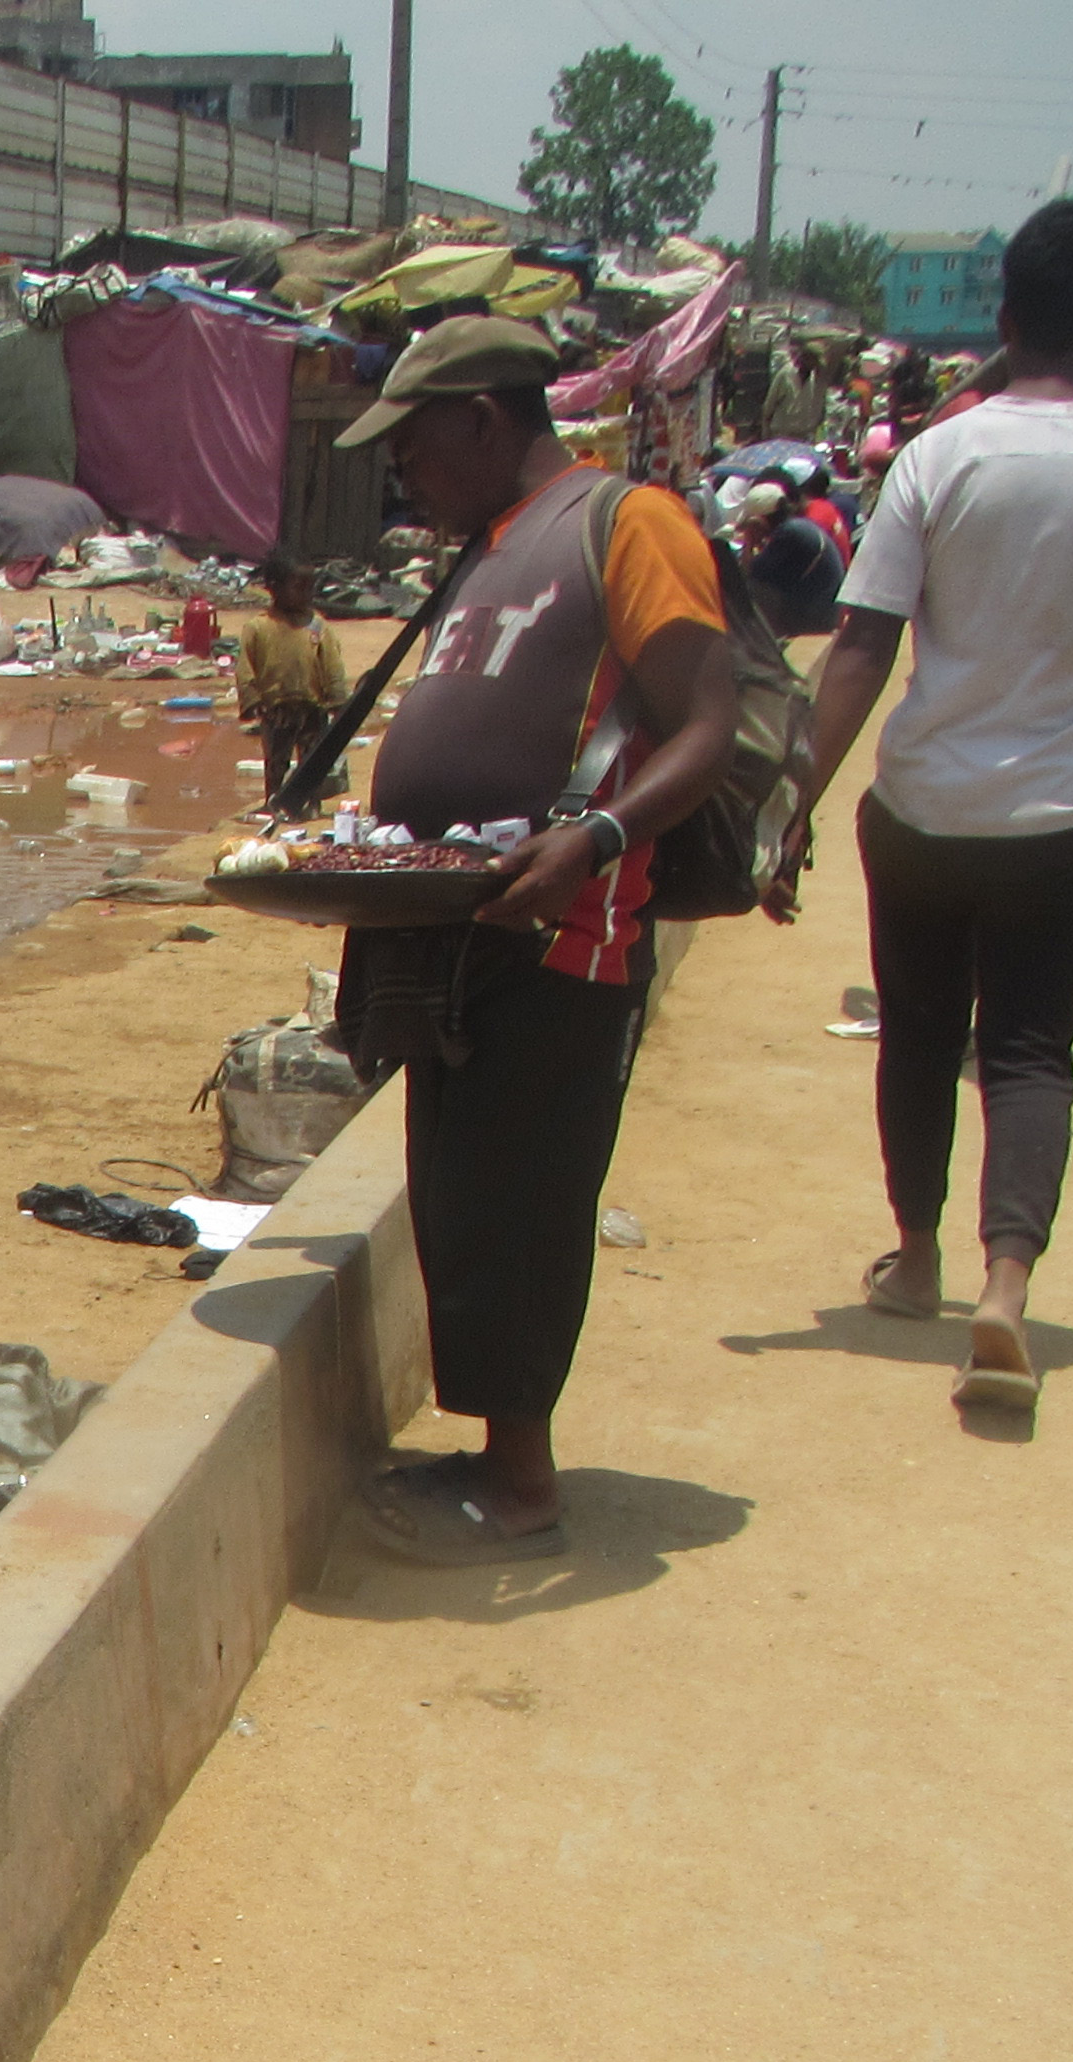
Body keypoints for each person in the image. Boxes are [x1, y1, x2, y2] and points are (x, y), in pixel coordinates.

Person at [325, 314, 739, 1562]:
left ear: (479, 418)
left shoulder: (626, 523)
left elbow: (704, 724)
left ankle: (520, 1487)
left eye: (411, 446)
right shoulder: (492, 549)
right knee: (461, 1198)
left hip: (566, 930)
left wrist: (595, 841)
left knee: (522, 1201)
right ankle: (497, 1457)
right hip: (464, 931)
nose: (403, 474)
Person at [769, 194, 1073, 1417]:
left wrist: (787, 808)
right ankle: (1005, 1291)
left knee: (915, 1032)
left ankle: (917, 1258)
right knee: (1028, 1050)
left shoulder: (939, 456)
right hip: (1069, 819)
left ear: (1004, 318)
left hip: (925, 810)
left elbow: (858, 648)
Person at [234, 557, 347, 801]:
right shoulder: (258, 628)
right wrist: (252, 701)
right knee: (276, 762)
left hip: (313, 706)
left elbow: (332, 665)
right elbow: (245, 667)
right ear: (274, 588)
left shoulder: (317, 626)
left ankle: (310, 803)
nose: (307, 594)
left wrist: (338, 701)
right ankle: (274, 802)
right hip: (276, 708)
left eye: (310, 587)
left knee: (313, 760)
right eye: (299, 587)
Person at [737, 481, 846, 638]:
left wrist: (749, 541)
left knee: (751, 589)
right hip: (825, 610)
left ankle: (760, 644)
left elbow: (751, 572)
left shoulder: (790, 533)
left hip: (817, 618)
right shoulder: (798, 525)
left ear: (761, 518)